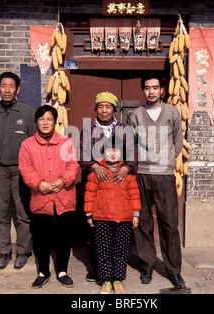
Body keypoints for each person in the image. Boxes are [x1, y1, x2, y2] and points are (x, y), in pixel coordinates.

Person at [128, 73, 186, 289]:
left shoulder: (172, 112)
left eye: (155, 87)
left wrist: (167, 161)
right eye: (147, 88)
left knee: (169, 224)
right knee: (143, 222)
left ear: (162, 90)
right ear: (143, 90)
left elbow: (177, 141)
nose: (151, 91)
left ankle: (174, 271)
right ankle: (147, 266)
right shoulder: (136, 115)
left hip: (164, 174)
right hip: (141, 174)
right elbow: (131, 144)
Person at [78, 91, 138, 282]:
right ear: (96, 109)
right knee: (96, 229)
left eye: (108, 107)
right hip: (98, 184)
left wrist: (127, 168)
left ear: (114, 109)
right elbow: (82, 153)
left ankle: (116, 268)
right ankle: (95, 268)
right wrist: (94, 166)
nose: (104, 111)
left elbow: (133, 153)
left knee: (118, 231)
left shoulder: (124, 129)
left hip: (119, 184)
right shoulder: (88, 130)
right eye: (101, 107)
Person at [0, 71, 35, 270]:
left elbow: (35, 143)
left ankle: (22, 251)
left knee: (22, 212)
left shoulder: (27, 113)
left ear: (17, 89)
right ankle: (3, 251)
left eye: (11, 86)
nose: (7, 90)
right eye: (3, 86)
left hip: (21, 170)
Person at [18, 105, 79, 289]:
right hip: (41, 196)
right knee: (41, 236)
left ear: (55, 122)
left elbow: (73, 165)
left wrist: (63, 180)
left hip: (64, 195)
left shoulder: (65, 143)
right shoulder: (27, 144)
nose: (45, 123)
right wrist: (39, 183)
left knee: (63, 235)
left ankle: (62, 271)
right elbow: (25, 168)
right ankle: (43, 271)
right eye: (41, 119)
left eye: (49, 119)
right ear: (36, 122)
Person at [84, 142, 141, 294]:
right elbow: (90, 194)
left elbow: (134, 195)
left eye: (117, 151)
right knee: (103, 250)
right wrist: (89, 213)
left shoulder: (128, 174)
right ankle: (106, 281)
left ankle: (118, 279)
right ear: (103, 153)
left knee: (121, 250)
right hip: (103, 217)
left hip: (123, 218)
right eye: (109, 150)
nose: (113, 154)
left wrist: (135, 214)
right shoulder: (97, 173)